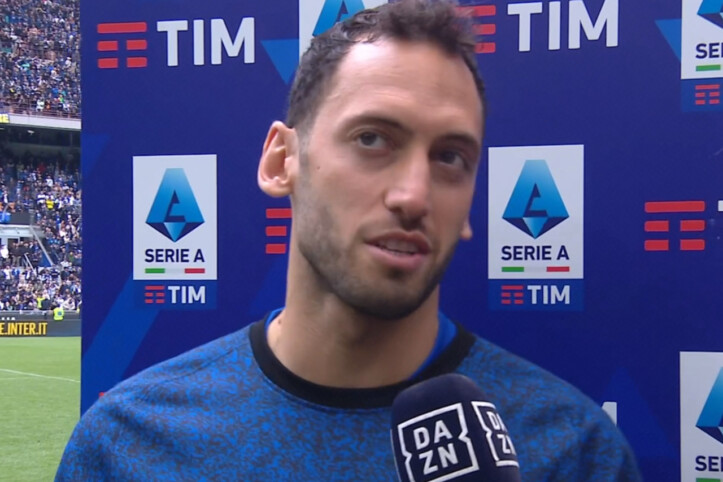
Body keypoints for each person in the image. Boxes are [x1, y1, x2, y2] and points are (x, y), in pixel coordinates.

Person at [56, 0, 641, 480]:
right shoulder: (126, 445)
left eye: (450, 157)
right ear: (282, 161)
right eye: (372, 139)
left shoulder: (574, 453)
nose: (413, 195)